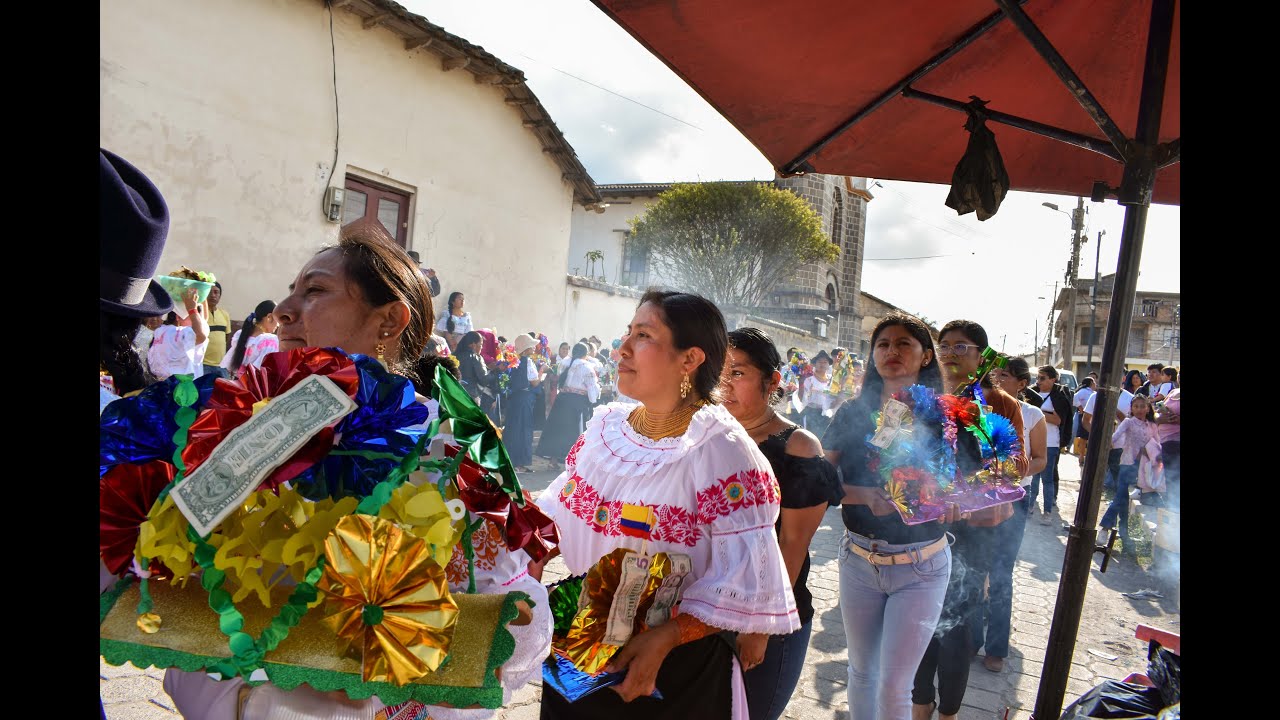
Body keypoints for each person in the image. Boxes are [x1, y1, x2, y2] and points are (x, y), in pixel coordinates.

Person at [162, 220, 550, 720]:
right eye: (290, 292)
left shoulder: (441, 457)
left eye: (315, 290)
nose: (282, 312)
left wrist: (398, 657)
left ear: (388, 322)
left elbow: (501, 623)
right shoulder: (243, 427)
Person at [533, 291, 800, 720]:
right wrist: (523, 562)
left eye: (643, 335)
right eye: (628, 332)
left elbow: (746, 583)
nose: (621, 348)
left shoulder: (723, 452)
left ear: (690, 359)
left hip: (673, 675)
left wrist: (666, 637)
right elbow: (556, 518)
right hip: (579, 652)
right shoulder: (608, 432)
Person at [823, 312, 999, 720]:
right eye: (882, 344)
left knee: (895, 685)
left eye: (904, 344)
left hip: (922, 564)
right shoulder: (853, 411)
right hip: (859, 561)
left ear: (924, 357)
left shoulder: (949, 415)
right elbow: (820, 481)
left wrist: (958, 502)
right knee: (862, 672)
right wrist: (865, 495)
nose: (891, 352)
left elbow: (977, 487)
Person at [722, 328, 840, 720]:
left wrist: (761, 626)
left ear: (773, 380)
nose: (724, 385)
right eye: (718, 373)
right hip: (703, 609)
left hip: (766, 614)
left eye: (737, 373)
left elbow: (791, 545)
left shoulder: (797, 448)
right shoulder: (706, 437)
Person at [909, 322, 1024, 715]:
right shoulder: (919, 398)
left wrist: (970, 492)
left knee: (957, 626)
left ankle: (950, 711)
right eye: (944, 345)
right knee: (921, 618)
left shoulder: (1000, 403)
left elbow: (1014, 465)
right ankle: (920, 704)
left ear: (981, 356)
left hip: (975, 530)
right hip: (922, 526)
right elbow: (889, 453)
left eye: (962, 346)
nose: (951, 353)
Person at [966, 356, 1047, 679]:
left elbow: (1039, 459)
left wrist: (1014, 473)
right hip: (975, 499)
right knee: (972, 573)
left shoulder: (1031, 414)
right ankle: (971, 639)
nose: (997, 379)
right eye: (994, 374)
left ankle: (997, 647)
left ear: (1021, 383)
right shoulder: (974, 405)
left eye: (1004, 375)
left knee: (1000, 575)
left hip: (1012, 501)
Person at [1098, 394, 1157, 554]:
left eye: (1142, 406)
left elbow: (1158, 444)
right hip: (1127, 463)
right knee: (1120, 497)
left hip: (1143, 467)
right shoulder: (1128, 422)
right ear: (1131, 408)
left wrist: (1149, 450)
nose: (1139, 409)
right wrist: (1108, 443)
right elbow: (1116, 436)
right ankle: (1105, 527)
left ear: (1148, 408)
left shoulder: (1152, 425)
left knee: (1123, 500)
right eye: (1136, 406)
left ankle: (1124, 536)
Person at [536, 342, 600, 462]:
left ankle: (553, 461)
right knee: (573, 433)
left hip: (562, 400)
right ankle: (573, 462)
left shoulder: (564, 363)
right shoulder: (587, 367)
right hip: (577, 403)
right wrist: (593, 399)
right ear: (586, 354)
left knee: (558, 431)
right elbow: (592, 390)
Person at [1026, 366, 1072, 522]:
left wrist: (1038, 413)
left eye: (1043, 378)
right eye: (1038, 378)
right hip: (1032, 440)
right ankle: (1029, 507)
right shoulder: (1031, 393)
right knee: (1032, 477)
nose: (1038, 381)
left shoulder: (1059, 396)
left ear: (1053, 379)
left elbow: (1058, 420)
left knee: (1047, 479)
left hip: (1051, 442)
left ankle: (1047, 513)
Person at [147, 285, 210, 381]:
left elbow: (202, 324)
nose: (198, 319)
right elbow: (201, 335)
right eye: (193, 316)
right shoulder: (179, 332)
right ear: (178, 317)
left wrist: (202, 291)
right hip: (180, 389)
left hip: (165, 385)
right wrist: (192, 309)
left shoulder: (161, 331)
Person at [503, 333, 544, 471]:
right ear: (526, 349)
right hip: (524, 399)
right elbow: (534, 381)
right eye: (531, 345)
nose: (534, 347)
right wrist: (543, 371)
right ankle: (519, 463)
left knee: (512, 429)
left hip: (514, 399)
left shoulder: (513, 360)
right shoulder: (527, 361)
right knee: (523, 430)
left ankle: (510, 462)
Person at [221, 300, 280, 374]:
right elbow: (263, 371)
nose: (278, 325)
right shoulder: (270, 341)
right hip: (253, 383)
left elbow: (229, 364)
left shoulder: (240, 335)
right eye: (278, 319)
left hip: (237, 382)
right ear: (269, 317)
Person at [201, 281, 233, 378]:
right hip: (203, 365)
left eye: (216, 292)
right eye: (209, 292)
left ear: (220, 295)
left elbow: (226, 338)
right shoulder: (199, 315)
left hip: (221, 365)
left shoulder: (224, 314)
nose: (213, 295)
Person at [801, 349, 836, 436]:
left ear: (828, 365)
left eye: (825, 362)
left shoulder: (832, 379)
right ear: (815, 364)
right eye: (820, 362)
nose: (822, 364)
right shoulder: (809, 378)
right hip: (811, 413)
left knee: (824, 440)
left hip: (826, 414)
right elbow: (804, 395)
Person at [455, 330, 493, 408]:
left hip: (455, 394)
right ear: (473, 345)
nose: (481, 347)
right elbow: (483, 380)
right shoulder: (475, 357)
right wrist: (497, 371)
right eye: (481, 344)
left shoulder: (454, 356)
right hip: (471, 396)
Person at [1071, 377, 1096, 461]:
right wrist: (1081, 408)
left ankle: (1084, 456)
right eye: (1094, 382)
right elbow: (1074, 398)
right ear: (1091, 383)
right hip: (1086, 415)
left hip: (1089, 416)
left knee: (1086, 437)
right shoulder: (1086, 392)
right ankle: (1083, 456)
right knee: (1086, 437)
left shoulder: (1091, 392)